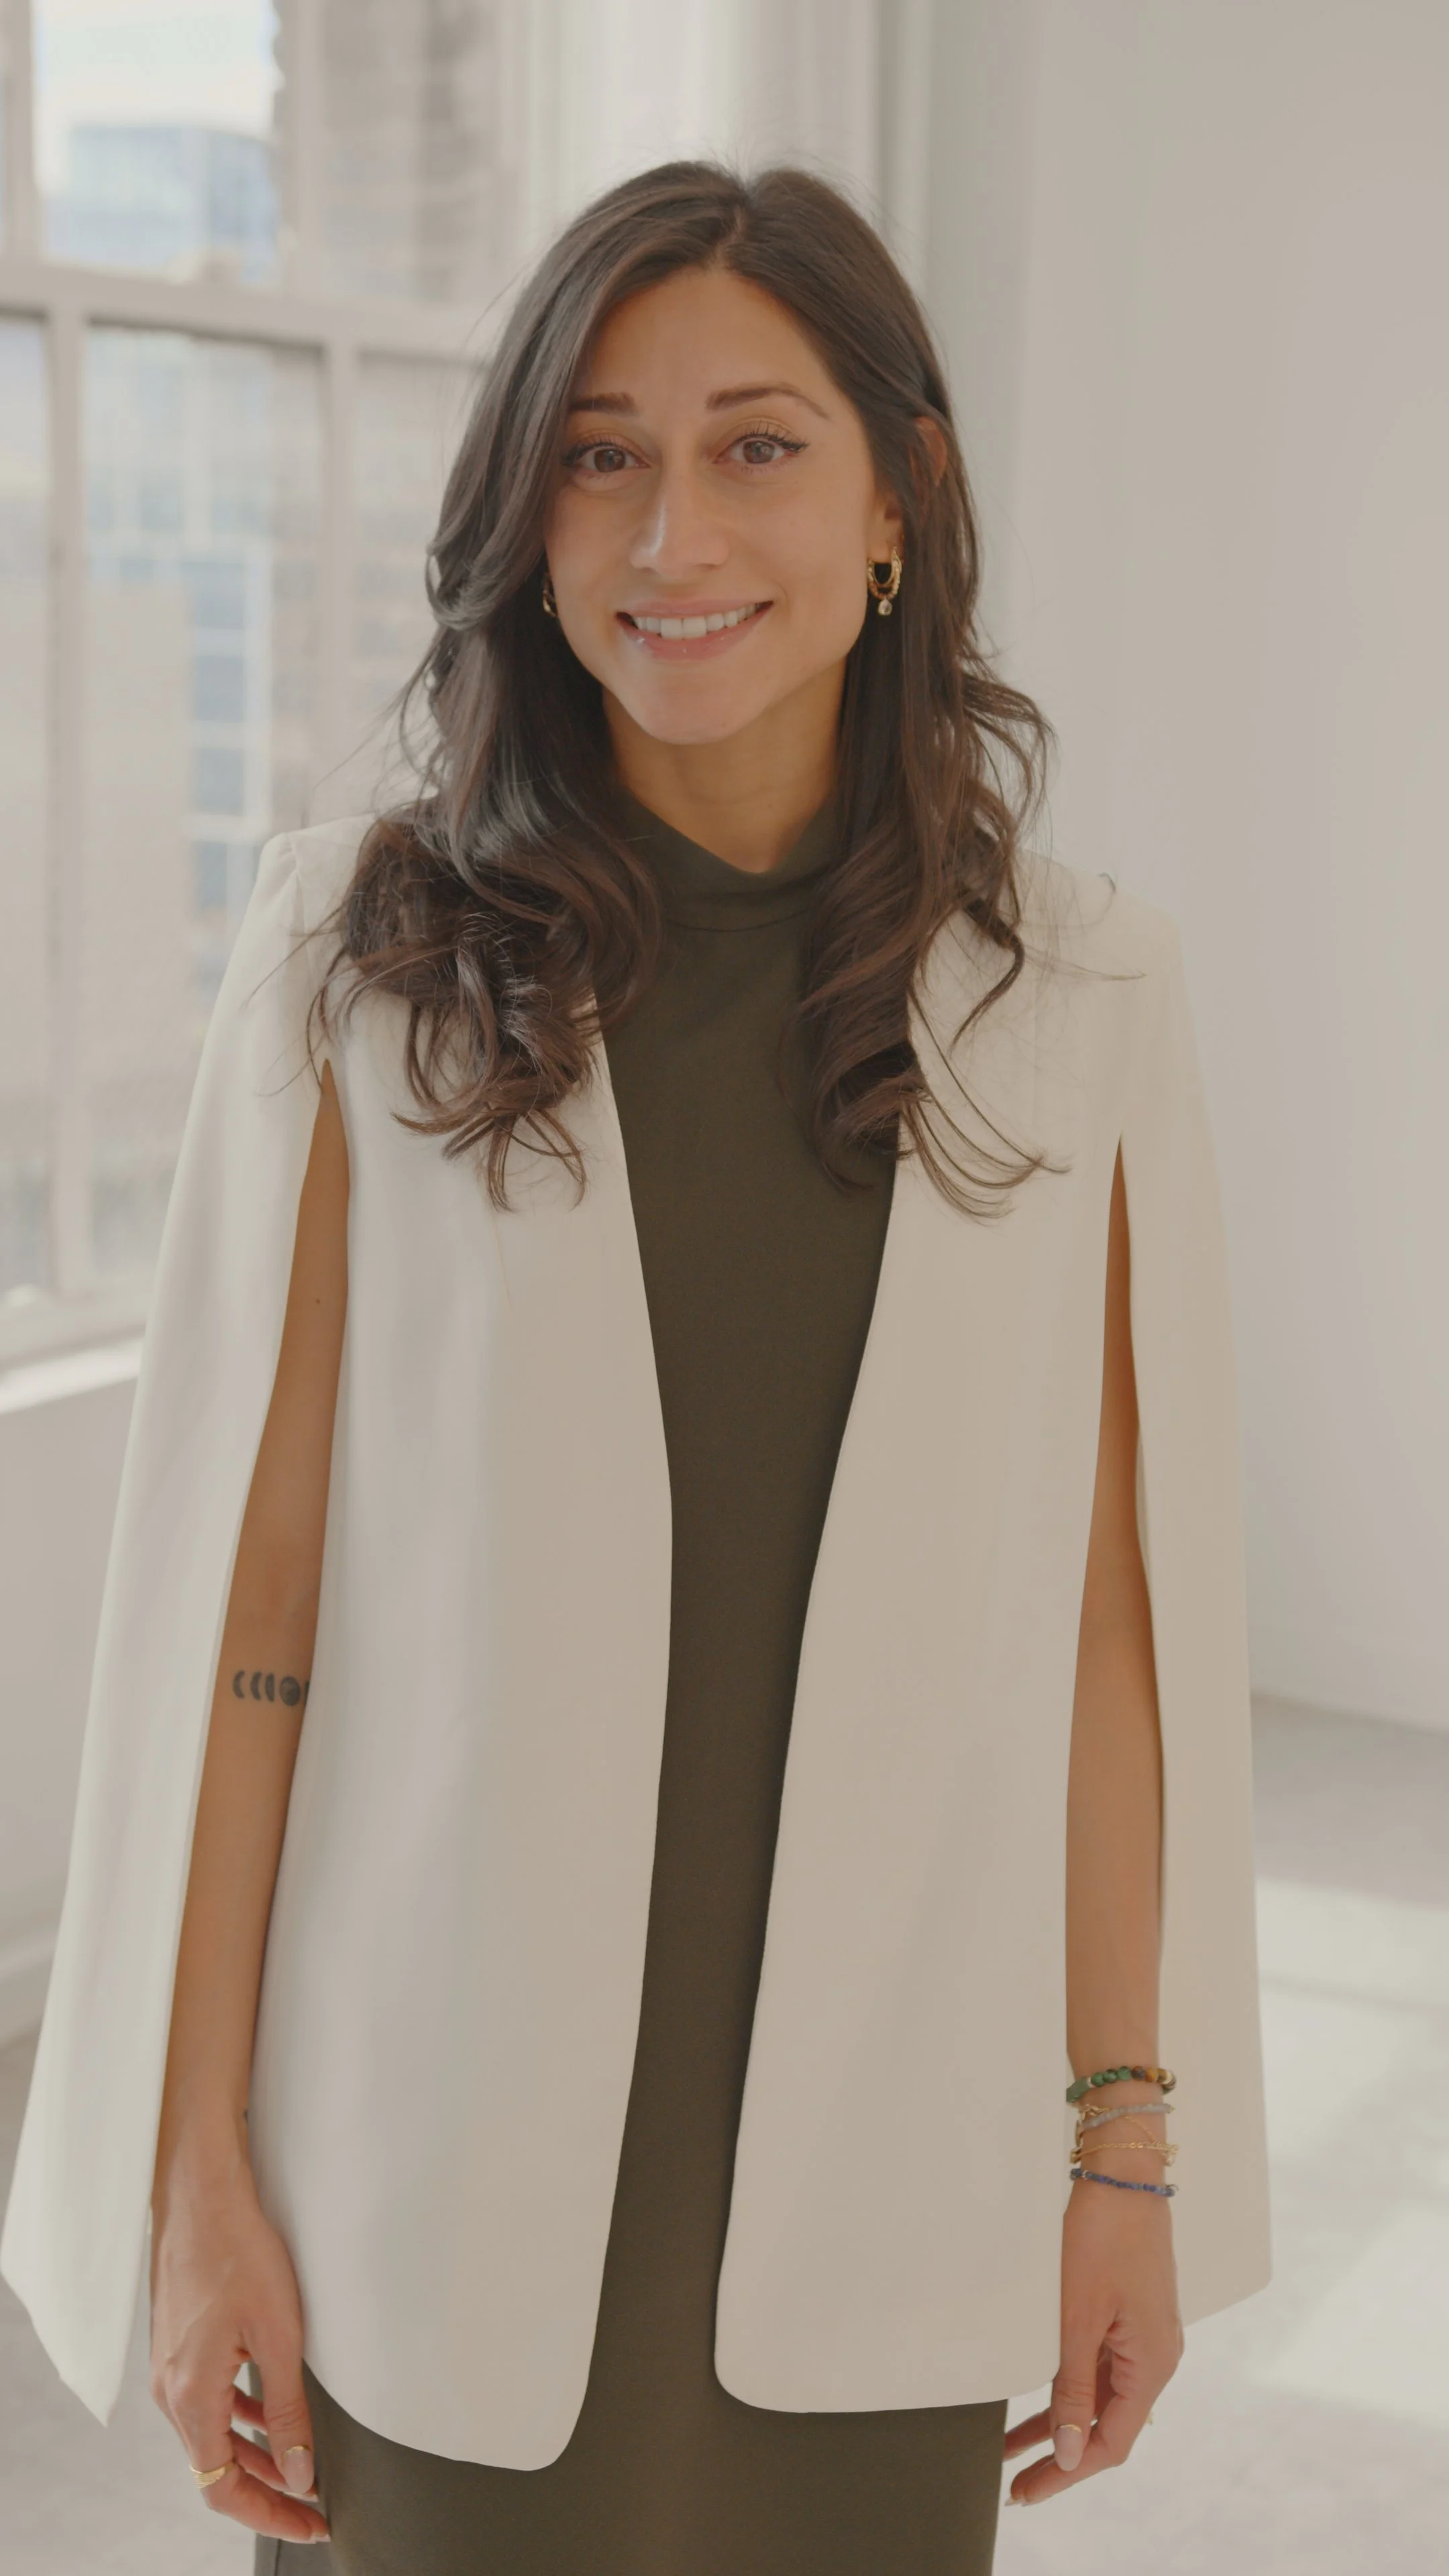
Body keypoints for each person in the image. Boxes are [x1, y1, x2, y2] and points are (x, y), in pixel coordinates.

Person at [1, 162, 1271, 2575]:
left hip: (881, 2171)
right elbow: (241, 1635)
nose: (672, 527)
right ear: (527, 515)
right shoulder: (356, 958)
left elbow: (1108, 1631)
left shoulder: (1080, 995)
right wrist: (196, 2182)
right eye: (597, 451)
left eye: (758, 444)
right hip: (426, 2175)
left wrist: (1127, 2146)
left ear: (898, 496)